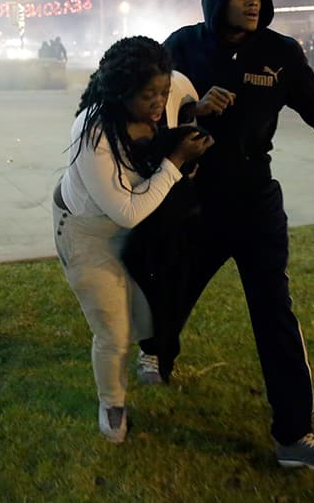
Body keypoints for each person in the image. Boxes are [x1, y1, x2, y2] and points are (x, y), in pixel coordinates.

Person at [162, 0, 314, 470]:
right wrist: (194, 112)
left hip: (256, 198)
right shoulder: (183, 46)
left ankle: (293, 433)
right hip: (198, 197)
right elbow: (149, 109)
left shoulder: (279, 53)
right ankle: (157, 348)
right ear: (218, 0)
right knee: (176, 285)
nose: (253, 1)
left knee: (274, 310)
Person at [51, 36, 213, 443]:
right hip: (87, 232)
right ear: (122, 91)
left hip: (137, 228)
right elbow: (125, 210)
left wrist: (197, 114)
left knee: (151, 310)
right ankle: (112, 403)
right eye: (148, 95)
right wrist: (175, 164)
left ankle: (150, 355)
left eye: (162, 90)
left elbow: (184, 103)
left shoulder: (171, 90)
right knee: (113, 329)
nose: (159, 101)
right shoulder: (93, 130)